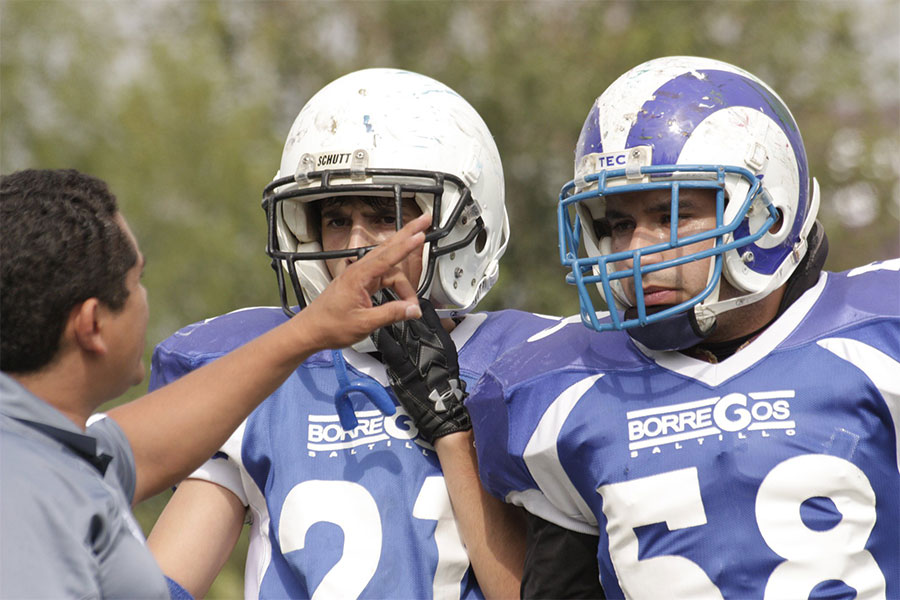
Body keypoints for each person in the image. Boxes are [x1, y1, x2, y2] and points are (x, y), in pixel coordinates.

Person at [466, 56, 899, 599]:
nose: (637, 252)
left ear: (769, 211)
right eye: (620, 224)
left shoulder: (879, 334)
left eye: (671, 216)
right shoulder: (560, 386)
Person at [145, 68, 560, 599]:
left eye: (385, 214)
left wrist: (454, 428)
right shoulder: (267, 370)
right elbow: (158, 585)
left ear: (460, 228)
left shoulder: (532, 367)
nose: (355, 247)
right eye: (335, 219)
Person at [0, 167, 428, 599]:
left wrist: (311, 329)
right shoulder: (28, 499)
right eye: (137, 281)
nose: (145, 299)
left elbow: (139, 445)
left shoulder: (43, 446)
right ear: (92, 325)